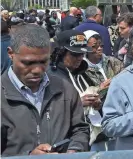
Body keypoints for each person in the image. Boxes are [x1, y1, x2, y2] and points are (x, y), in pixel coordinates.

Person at [1, 24, 89, 156]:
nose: (37, 70)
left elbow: (80, 129)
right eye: (28, 63)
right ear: (10, 54)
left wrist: (74, 150)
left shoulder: (65, 89)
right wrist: (28, 157)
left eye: (43, 62)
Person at [83, 30, 125, 151]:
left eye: (101, 46)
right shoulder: (83, 68)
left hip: (118, 111)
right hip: (97, 117)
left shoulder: (113, 61)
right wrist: (101, 89)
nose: (99, 49)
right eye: (94, 47)